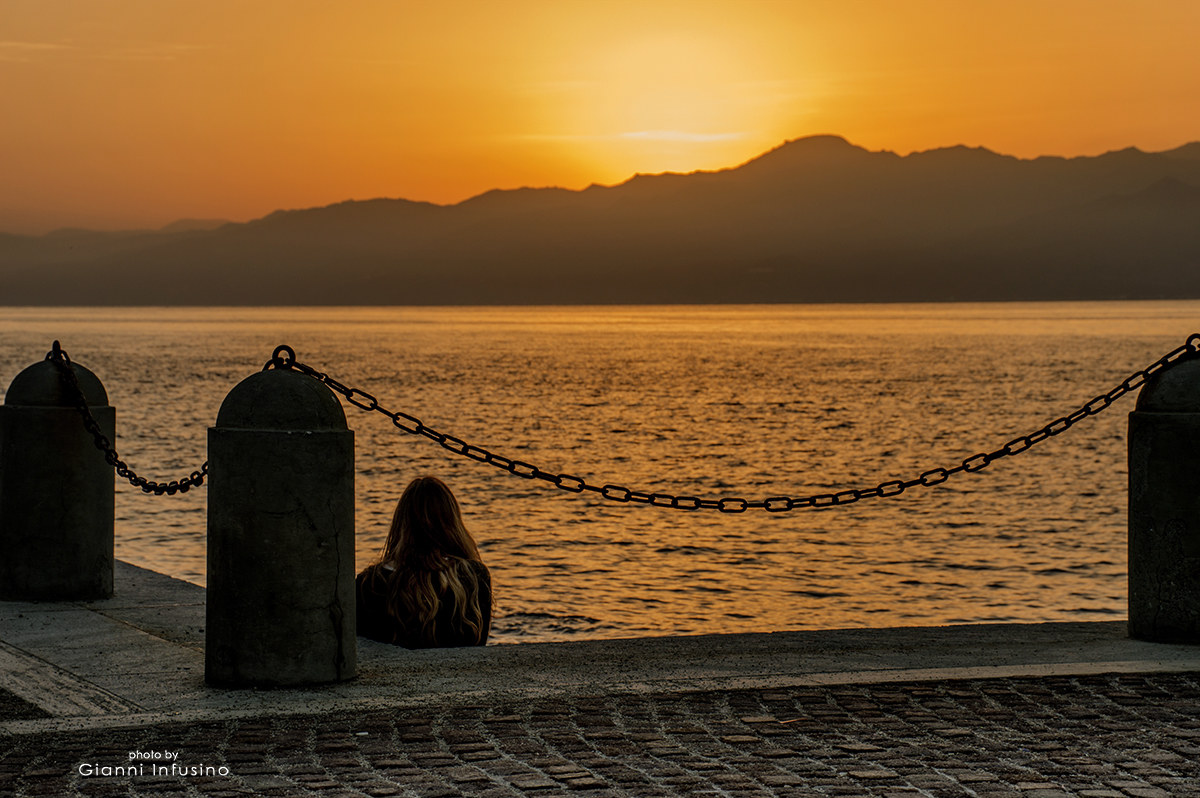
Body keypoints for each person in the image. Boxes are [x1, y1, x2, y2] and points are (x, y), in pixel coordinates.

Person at [355, 476, 492, 648]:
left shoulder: (368, 583)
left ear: (401, 522)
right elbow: (479, 646)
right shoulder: (474, 577)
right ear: (452, 522)